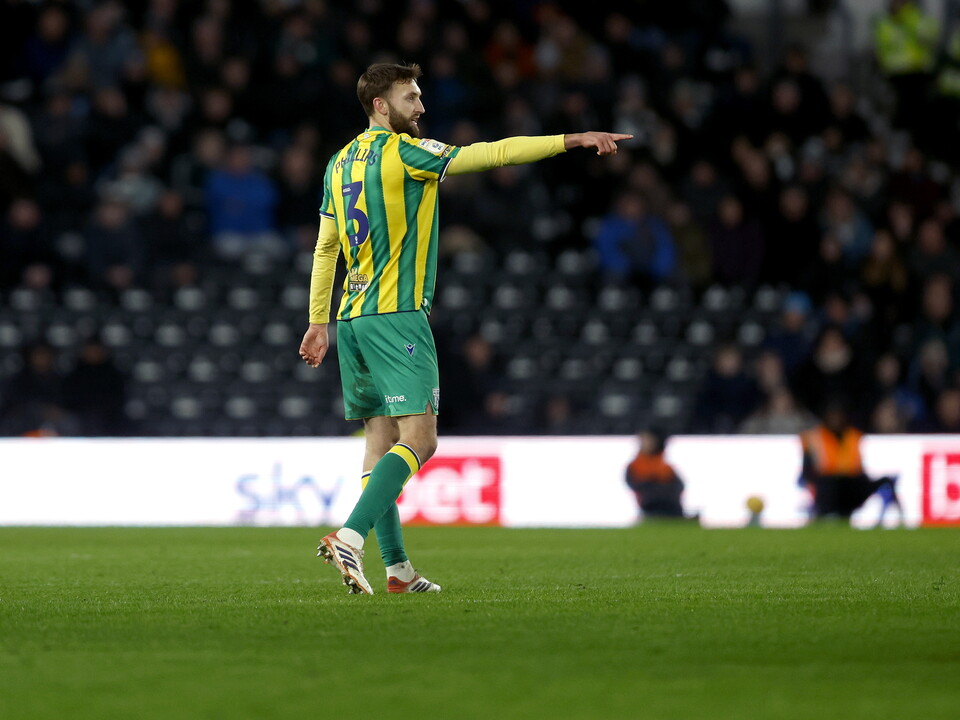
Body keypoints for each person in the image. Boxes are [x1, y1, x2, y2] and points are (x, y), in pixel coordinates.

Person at [298, 62, 630, 595]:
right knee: (421, 440)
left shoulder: (337, 164)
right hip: (396, 315)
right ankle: (351, 538)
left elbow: (325, 247)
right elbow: (492, 153)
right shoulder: (406, 152)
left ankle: (399, 571)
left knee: (380, 444)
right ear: (381, 106)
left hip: (352, 320)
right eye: (411, 98)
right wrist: (572, 139)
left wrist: (318, 321)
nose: (421, 107)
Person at [799, 401, 899, 522]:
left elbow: (860, 469)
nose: (836, 419)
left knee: (885, 481)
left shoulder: (853, 436)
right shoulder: (814, 437)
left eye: (839, 415)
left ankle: (899, 518)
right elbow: (807, 472)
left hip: (850, 485)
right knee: (830, 485)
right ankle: (821, 515)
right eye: (832, 415)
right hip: (828, 488)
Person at [624, 429, 685, 520]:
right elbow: (635, 484)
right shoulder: (635, 466)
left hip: (671, 507)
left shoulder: (665, 466)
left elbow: (679, 485)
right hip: (649, 506)